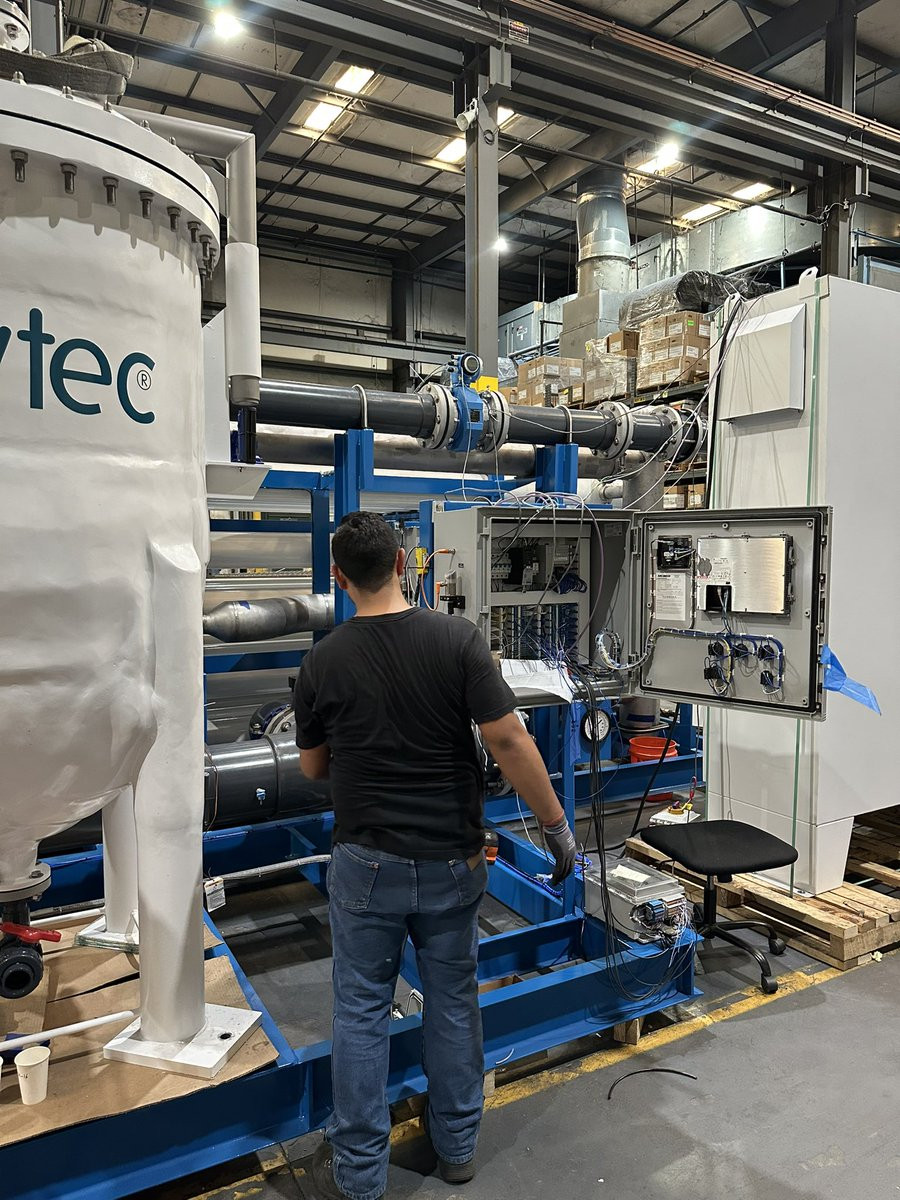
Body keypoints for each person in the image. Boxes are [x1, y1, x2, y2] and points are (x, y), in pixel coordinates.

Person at [294, 511, 577, 1200]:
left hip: (365, 864)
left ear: (337, 577)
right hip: (453, 860)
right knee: (453, 1001)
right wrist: (555, 826)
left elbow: (312, 768)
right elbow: (509, 740)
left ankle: (360, 1176)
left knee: (361, 1012)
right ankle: (457, 1149)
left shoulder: (321, 661)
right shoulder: (457, 640)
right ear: (403, 563)